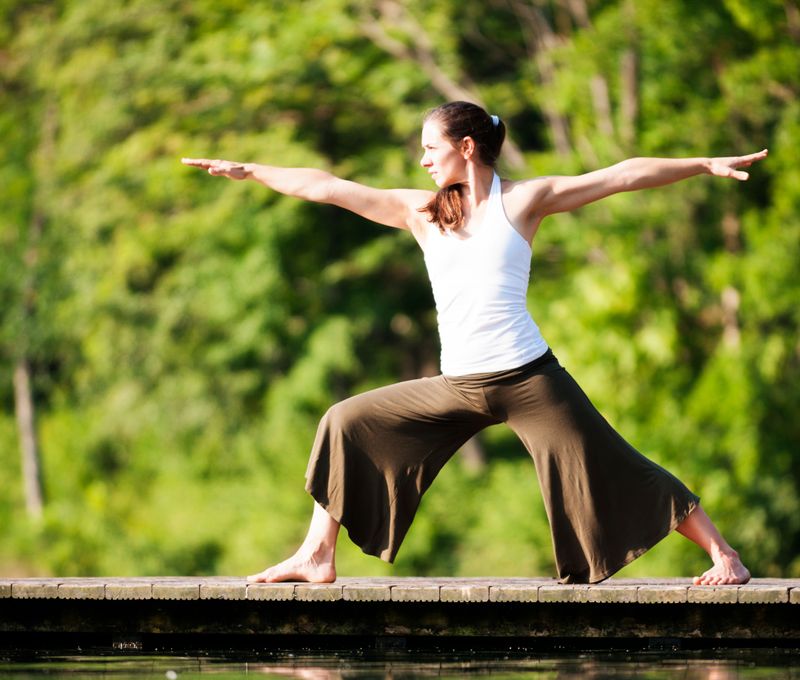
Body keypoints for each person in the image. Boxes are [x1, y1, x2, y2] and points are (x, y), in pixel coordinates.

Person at [183, 101, 762, 586]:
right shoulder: (424, 213)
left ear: (464, 145)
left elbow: (620, 174)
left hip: (530, 380)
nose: (421, 160)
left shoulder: (522, 202)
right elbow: (330, 187)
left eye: (429, 149)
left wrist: (703, 164)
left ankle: (725, 556)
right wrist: (253, 170)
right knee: (345, 421)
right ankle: (316, 554)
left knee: (614, 463)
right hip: (457, 386)